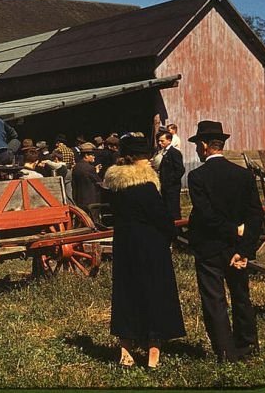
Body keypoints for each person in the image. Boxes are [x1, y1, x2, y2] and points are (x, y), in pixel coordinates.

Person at [103, 134, 185, 368]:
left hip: (125, 245)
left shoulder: (116, 186)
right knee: (154, 295)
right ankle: (153, 355)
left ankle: (126, 352)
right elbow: (161, 217)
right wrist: (171, 234)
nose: (149, 161)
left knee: (126, 294)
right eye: (145, 157)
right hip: (151, 247)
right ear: (137, 159)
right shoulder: (147, 186)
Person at [187, 120, 262, 362]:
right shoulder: (243, 175)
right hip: (236, 250)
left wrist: (231, 230)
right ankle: (249, 344)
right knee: (241, 295)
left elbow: (206, 215)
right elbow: (255, 214)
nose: (198, 150)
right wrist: (245, 247)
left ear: (205, 145)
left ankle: (226, 351)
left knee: (214, 300)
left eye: (199, 145)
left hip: (209, 248)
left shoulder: (197, 177)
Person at [157, 131, 185, 220]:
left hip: (172, 187)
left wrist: (170, 181)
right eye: (159, 141)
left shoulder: (174, 152)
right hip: (165, 186)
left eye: (162, 141)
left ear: (169, 140)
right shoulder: (163, 152)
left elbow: (180, 169)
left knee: (173, 208)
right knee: (166, 208)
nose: (160, 143)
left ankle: (177, 228)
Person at [71, 142, 102, 213]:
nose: (94, 157)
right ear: (86, 156)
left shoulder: (76, 167)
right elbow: (98, 182)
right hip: (90, 200)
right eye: (92, 155)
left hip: (79, 200)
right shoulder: (90, 168)